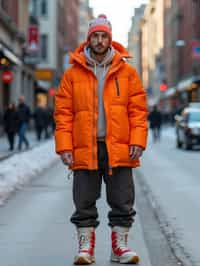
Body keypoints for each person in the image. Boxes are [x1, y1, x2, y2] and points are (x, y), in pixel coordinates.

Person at [54, 14, 148, 265]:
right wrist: (65, 147)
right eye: (94, 35)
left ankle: (120, 248)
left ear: (110, 38)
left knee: (122, 200)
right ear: (89, 39)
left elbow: (137, 111)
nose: (99, 40)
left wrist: (138, 140)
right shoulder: (72, 74)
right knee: (84, 200)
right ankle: (86, 249)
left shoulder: (127, 72)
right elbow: (63, 114)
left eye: (103, 35)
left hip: (119, 147)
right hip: (86, 146)